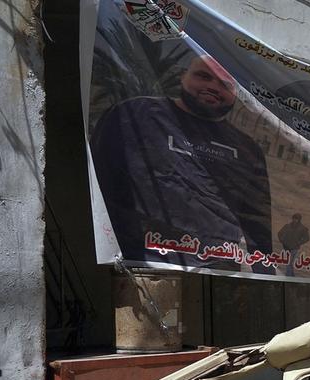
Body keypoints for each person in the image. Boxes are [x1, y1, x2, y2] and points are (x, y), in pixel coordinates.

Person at [91, 55, 273, 268]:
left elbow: (257, 222)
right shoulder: (135, 115)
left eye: (224, 84)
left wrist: (264, 273)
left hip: (217, 271)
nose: (213, 86)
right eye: (203, 76)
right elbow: (97, 185)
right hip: (141, 264)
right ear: (182, 77)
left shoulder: (246, 149)